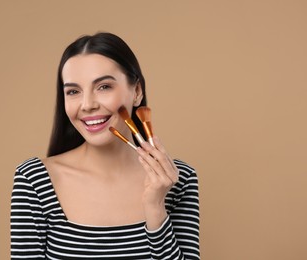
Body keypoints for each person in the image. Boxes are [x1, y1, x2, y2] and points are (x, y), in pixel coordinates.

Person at [10, 32, 200, 259]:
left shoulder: (178, 180)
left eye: (104, 87)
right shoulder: (34, 180)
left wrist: (156, 208)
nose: (87, 105)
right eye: (73, 91)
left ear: (137, 91)